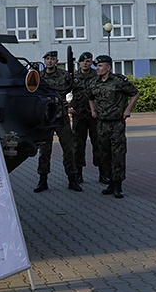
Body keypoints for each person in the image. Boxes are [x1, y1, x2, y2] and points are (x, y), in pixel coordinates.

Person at [88, 54, 139, 199]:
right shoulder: (94, 82)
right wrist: (93, 110)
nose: (97, 68)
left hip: (116, 123)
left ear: (108, 67)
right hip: (101, 123)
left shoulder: (119, 80)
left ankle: (118, 185)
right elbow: (90, 98)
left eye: (99, 66)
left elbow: (135, 94)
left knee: (118, 154)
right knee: (104, 154)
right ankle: (110, 182)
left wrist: (128, 109)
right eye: (96, 66)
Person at [34, 50, 82, 193]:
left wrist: (71, 103)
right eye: (47, 58)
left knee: (69, 149)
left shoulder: (64, 75)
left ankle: (72, 180)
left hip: (61, 118)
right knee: (44, 151)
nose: (49, 61)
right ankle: (42, 181)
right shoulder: (39, 76)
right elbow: (31, 92)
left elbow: (79, 89)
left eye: (52, 59)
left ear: (56, 61)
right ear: (44, 60)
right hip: (46, 119)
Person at [70, 51, 104, 184]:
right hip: (79, 115)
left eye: (88, 61)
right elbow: (64, 92)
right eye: (83, 61)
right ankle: (78, 173)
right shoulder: (73, 76)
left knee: (99, 144)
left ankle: (103, 173)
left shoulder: (97, 75)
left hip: (94, 115)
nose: (85, 63)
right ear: (79, 63)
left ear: (91, 63)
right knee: (78, 145)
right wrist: (69, 107)